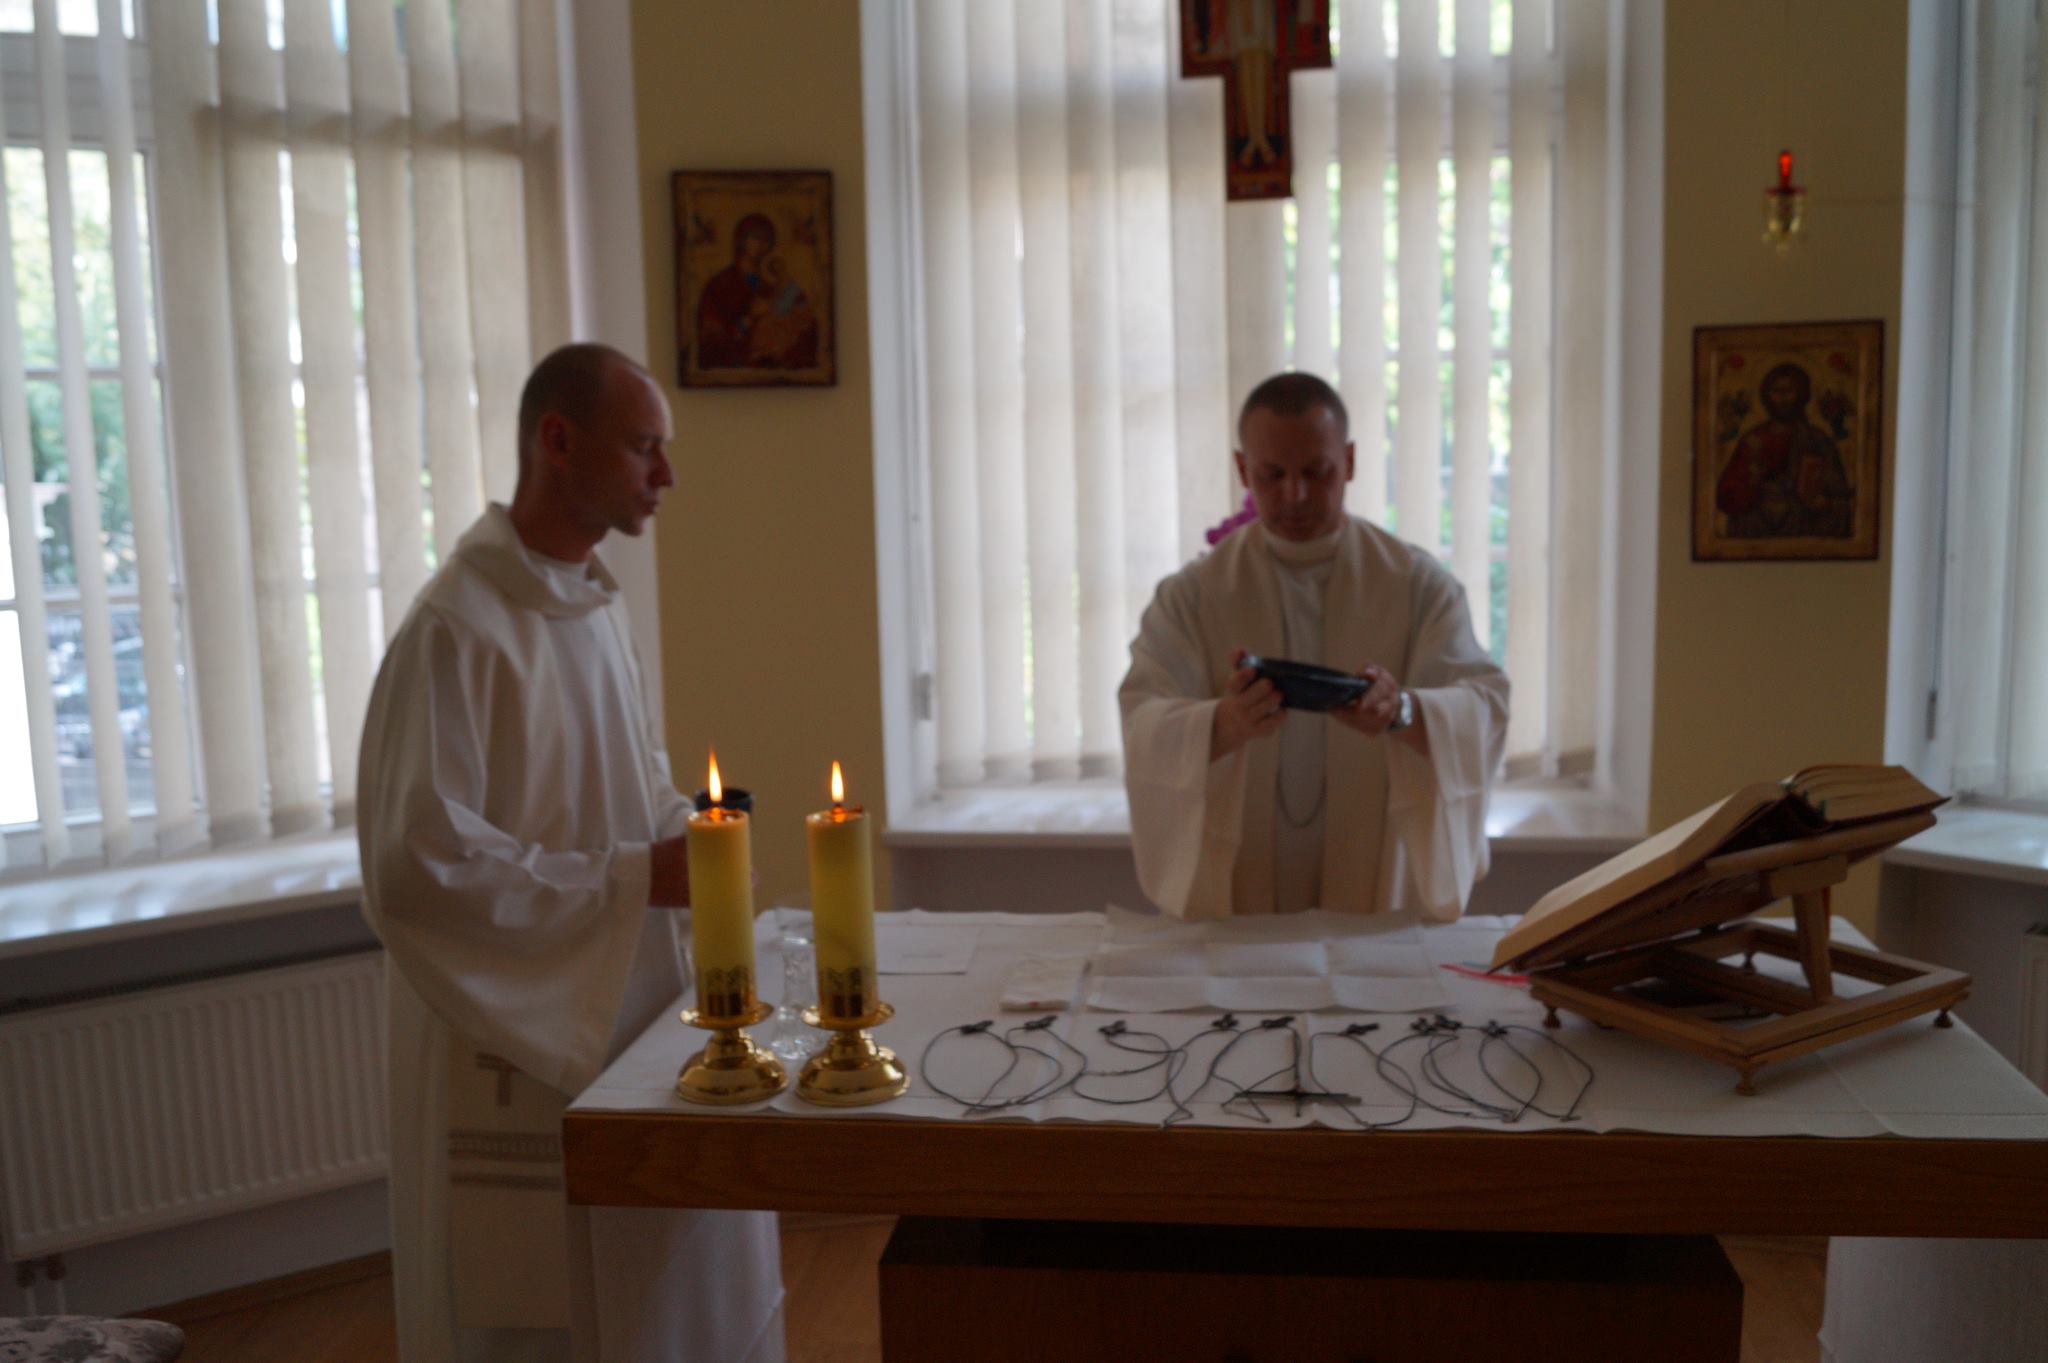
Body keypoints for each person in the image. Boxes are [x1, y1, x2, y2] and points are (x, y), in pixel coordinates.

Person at [358, 343, 784, 1363]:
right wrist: (641, 876)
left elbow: (630, 787)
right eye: (643, 447)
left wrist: (693, 837)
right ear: (558, 440)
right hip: (511, 1033)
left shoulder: (593, 605)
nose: (665, 474)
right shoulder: (455, 628)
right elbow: (418, 867)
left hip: (622, 1001)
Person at [1119, 371, 1509, 920]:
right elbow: (1143, 718)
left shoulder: (1417, 586)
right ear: (1242, 470)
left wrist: (1402, 710)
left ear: (1348, 461)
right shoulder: (1192, 596)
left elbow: (1485, 705)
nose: (1294, 495)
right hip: (1241, 896)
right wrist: (1222, 724)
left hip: (1374, 895)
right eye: (1272, 474)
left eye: (1316, 472)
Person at [1714, 361, 1854, 539]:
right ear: (1766, 395)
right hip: (1756, 527)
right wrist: (1751, 483)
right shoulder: (1753, 440)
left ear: (1801, 395)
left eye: (1789, 391)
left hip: (1804, 527)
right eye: (1777, 391)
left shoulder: (1818, 441)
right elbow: (1726, 495)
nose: (1783, 398)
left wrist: (1822, 503)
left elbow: (1840, 497)